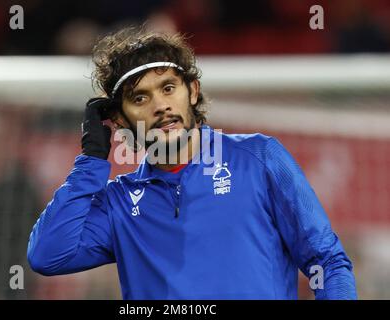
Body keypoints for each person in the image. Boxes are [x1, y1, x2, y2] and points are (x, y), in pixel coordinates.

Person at [27, 26, 357, 299]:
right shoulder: (119, 203)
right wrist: (92, 159)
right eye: (140, 98)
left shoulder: (259, 158)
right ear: (119, 119)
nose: (160, 106)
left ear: (193, 91)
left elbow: (327, 261)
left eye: (168, 88)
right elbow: (47, 255)